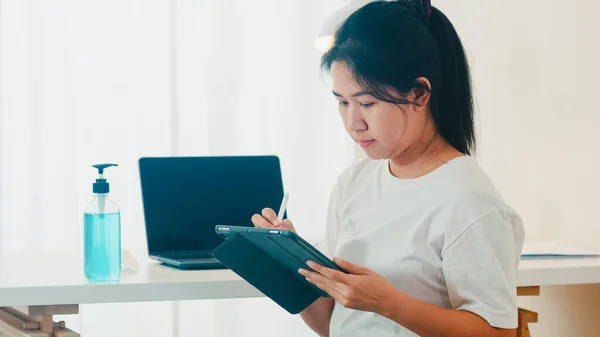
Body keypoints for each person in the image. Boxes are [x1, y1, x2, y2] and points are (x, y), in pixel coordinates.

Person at [251, 1, 525, 336]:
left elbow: (500, 333)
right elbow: (333, 325)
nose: (354, 123)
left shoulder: (468, 200)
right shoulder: (353, 182)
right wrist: (288, 265)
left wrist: (389, 303)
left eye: (367, 103)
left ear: (419, 94)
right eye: (342, 102)